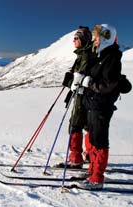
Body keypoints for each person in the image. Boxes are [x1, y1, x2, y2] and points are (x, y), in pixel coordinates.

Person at [76, 24, 123, 190]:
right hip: (92, 104)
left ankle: (97, 178)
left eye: (97, 37)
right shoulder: (100, 56)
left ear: (105, 38)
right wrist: (82, 81)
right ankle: (92, 170)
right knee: (94, 139)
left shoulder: (112, 58)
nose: (94, 40)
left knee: (100, 141)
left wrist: (90, 83)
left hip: (101, 106)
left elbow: (109, 84)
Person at [55, 26, 95, 169]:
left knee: (75, 125)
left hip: (81, 95)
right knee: (87, 125)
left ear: (83, 40)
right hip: (89, 97)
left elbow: (81, 79)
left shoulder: (84, 55)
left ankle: (75, 158)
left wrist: (70, 81)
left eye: (76, 38)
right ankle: (90, 155)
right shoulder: (87, 54)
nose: (73, 41)